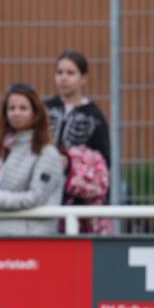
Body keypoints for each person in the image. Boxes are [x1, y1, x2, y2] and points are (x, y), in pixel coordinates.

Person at [0, 83, 64, 235]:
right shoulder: (1, 148)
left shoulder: (47, 153)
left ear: (35, 113)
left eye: (23, 108)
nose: (16, 113)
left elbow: (35, 198)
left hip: (30, 241)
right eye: (12, 108)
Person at [44, 50, 112, 233]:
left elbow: (104, 161)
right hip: (44, 192)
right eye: (59, 72)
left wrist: (73, 162)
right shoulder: (44, 109)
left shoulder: (94, 115)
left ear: (83, 78)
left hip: (78, 200)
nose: (63, 78)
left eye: (70, 73)